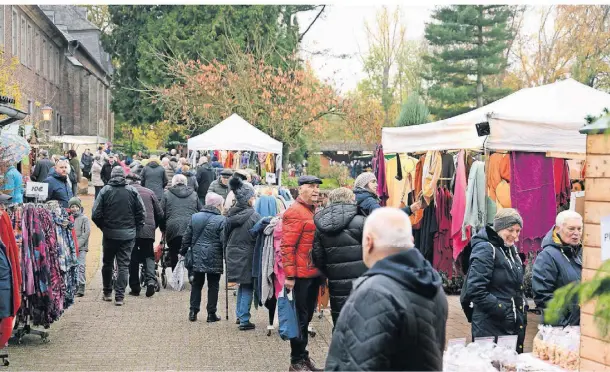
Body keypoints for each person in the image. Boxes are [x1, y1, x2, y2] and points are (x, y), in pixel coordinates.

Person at [325, 208, 448, 371]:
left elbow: (356, 365)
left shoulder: (374, 292)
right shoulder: (433, 287)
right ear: (410, 240)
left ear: (369, 242)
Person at [462, 208, 526, 353]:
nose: (515, 235)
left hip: (510, 324)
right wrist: (503, 309)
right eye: (510, 230)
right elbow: (476, 289)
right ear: (499, 228)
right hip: (490, 325)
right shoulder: (486, 249)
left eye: (518, 231)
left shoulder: (510, 249)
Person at [281, 175, 324, 371]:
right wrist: (289, 276)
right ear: (300, 189)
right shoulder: (295, 212)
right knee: (299, 319)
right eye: (311, 186)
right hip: (300, 276)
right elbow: (287, 246)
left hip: (312, 273)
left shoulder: (312, 211)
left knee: (306, 319)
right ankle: (296, 361)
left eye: (317, 186)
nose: (316, 190)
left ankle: (303, 357)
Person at [312, 187, 366, 327]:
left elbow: (318, 256)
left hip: (336, 281)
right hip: (362, 280)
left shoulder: (321, 225)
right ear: (351, 199)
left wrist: (329, 272)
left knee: (340, 321)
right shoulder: (362, 221)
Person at [92, 166, 145, 306]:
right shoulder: (132, 190)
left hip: (110, 234)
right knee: (123, 265)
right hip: (128, 235)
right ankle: (120, 296)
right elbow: (142, 213)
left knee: (108, 263)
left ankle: (107, 292)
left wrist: (103, 227)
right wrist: (136, 229)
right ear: (124, 176)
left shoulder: (105, 190)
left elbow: (95, 214)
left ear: (111, 175)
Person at [180, 192, 227, 322]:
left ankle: (193, 311)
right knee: (213, 285)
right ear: (218, 205)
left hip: (197, 254)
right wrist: (226, 255)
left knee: (197, 284)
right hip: (214, 255)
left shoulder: (195, 217)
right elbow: (224, 241)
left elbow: (187, 236)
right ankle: (211, 314)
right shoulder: (222, 220)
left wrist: (183, 251)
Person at [532, 210, 583, 327]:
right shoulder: (547, 256)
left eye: (579, 229)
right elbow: (543, 296)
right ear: (558, 228)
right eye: (571, 229)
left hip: (580, 328)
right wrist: (563, 325)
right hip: (560, 330)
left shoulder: (581, 253)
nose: (576, 233)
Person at [225, 177, 260, 331]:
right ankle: (244, 319)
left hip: (233, 253)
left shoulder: (230, 214)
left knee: (242, 285)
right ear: (247, 199)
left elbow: (224, 236)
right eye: (253, 197)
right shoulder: (254, 216)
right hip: (247, 255)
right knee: (247, 286)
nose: (255, 199)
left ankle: (240, 315)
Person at [126, 173, 163, 298]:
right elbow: (160, 213)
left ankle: (135, 287)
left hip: (132, 230)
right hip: (148, 230)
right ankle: (151, 281)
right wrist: (153, 226)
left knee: (133, 257)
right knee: (149, 255)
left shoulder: (127, 192)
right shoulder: (150, 192)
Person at [161, 174, 202, 270]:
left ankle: (176, 277)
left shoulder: (167, 194)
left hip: (172, 227)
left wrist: (163, 227)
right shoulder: (194, 194)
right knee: (190, 250)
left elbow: (161, 213)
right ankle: (191, 275)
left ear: (174, 183)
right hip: (190, 226)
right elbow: (200, 210)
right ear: (185, 182)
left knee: (173, 251)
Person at [353, 172, 421, 217]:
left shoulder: (358, 197)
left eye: (376, 182)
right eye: (373, 182)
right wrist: (410, 209)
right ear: (364, 184)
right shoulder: (369, 201)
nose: (376, 185)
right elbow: (385, 218)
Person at [69, 198, 91, 297]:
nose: (74, 208)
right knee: (73, 265)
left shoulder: (84, 218)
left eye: (76, 206)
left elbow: (86, 233)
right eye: (72, 207)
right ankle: (74, 285)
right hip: (71, 247)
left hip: (81, 247)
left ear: (79, 207)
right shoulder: (68, 218)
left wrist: (78, 244)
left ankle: (81, 285)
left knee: (81, 265)